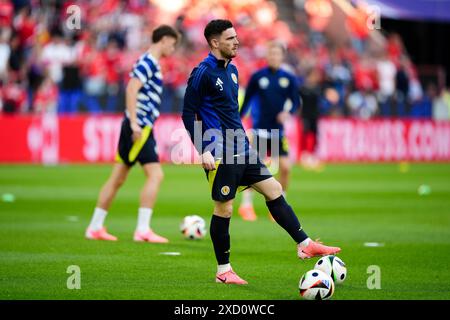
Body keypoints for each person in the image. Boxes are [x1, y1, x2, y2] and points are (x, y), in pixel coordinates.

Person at [182, 19, 340, 285]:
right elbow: (188, 112)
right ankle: (223, 271)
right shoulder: (202, 72)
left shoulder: (232, 71)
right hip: (219, 151)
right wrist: (203, 150)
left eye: (236, 37)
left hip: (242, 147)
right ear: (215, 42)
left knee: (275, 189)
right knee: (225, 209)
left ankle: (304, 243)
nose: (236, 41)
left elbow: (232, 113)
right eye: (230, 38)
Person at [85, 25, 180, 243]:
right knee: (155, 175)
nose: (173, 49)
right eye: (173, 44)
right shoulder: (147, 62)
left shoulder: (150, 62)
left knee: (118, 178)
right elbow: (131, 89)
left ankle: (95, 226)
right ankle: (142, 230)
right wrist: (136, 123)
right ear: (164, 40)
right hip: (140, 126)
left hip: (139, 125)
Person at [238, 41, 301, 221]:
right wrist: (238, 120)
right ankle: (246, 205)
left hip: (278, 133)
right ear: (267, 56)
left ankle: (280, 205)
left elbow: (296, 101)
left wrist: (287, 112)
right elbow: (248, 100)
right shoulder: (258, 77)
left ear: (282, 56)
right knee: (253, 170)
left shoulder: (288, 78)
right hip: (259, 131)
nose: (274, 57)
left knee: (286, 168)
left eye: (277, 54)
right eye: (271, 54)